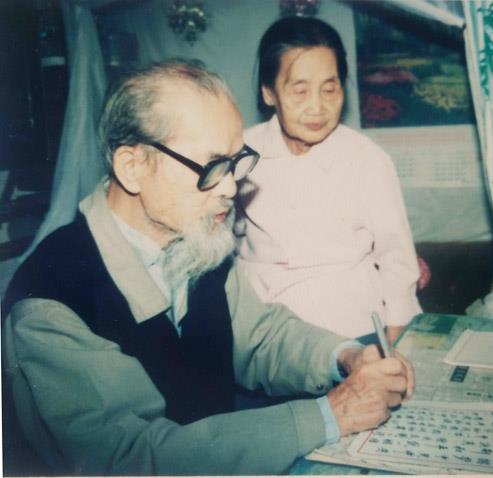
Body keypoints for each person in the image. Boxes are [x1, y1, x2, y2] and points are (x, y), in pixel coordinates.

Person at [1, 59, 415, 476]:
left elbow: (259, 336)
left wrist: (344, 356)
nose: (231, 187)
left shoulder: (195, 238)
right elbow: (131, 458)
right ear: (132, 167)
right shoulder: (50, 302)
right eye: (212, 167)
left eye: (235, 163)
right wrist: (329, 415)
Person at [236, 17, 427, 342]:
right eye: (300, 91)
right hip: (263, 326)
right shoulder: (241, 153)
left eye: (329, 89)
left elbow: (396, 256)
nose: (317, 107)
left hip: (352, 322)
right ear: (269, 93)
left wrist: (394, 340)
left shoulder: (366, 159)